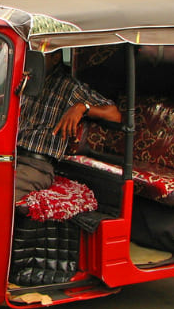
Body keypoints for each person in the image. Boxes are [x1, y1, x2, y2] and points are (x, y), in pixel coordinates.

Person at [15, 56, 122, 201]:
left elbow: (114, 114)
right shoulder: (28, 81)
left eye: (40, 54)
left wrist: (83, 107)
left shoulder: (70, 87)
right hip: (11, 158)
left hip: (37, 166)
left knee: (0, 197)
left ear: (55, 58)